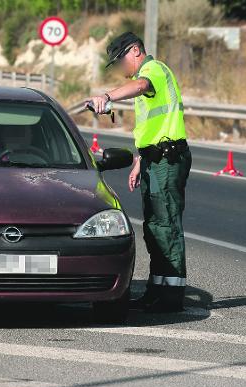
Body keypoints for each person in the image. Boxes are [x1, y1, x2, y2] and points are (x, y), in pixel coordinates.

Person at [87, 32, 191, 313]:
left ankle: (171, 296)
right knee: (154, 226)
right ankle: (157, 290)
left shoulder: (152, 70)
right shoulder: (143, 77)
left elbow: (142, 85)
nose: (121, 68)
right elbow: (150, 129)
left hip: (168, 158)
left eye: (120, 60)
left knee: (165, 224)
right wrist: (138, 162)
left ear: (135, 51)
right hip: (153, 158)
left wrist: (107, 96)